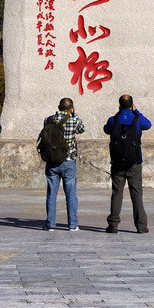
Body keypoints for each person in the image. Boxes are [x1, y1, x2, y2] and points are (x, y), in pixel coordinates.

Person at [104, 94, 152, 233]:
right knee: (136, 194)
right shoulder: (137, 119)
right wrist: (136, 111)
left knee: (117, 193)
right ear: (132, 105)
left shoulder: (113, 120)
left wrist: (119, 113)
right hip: (134, 162)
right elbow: (148, 125)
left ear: (119, 105)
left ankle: (113, 224)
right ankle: (141, 225)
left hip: (118, 163)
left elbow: (106, 129)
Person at [43, 98, 85, 231]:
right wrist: (74, 114)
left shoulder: (48, 119)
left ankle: (50, 224)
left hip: (52, 161)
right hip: (68, 161)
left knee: (51, 195)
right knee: (71, 195)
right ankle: (73, 225)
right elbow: (81, 129)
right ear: (71, 108)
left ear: (58, 106)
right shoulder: (73, 120)